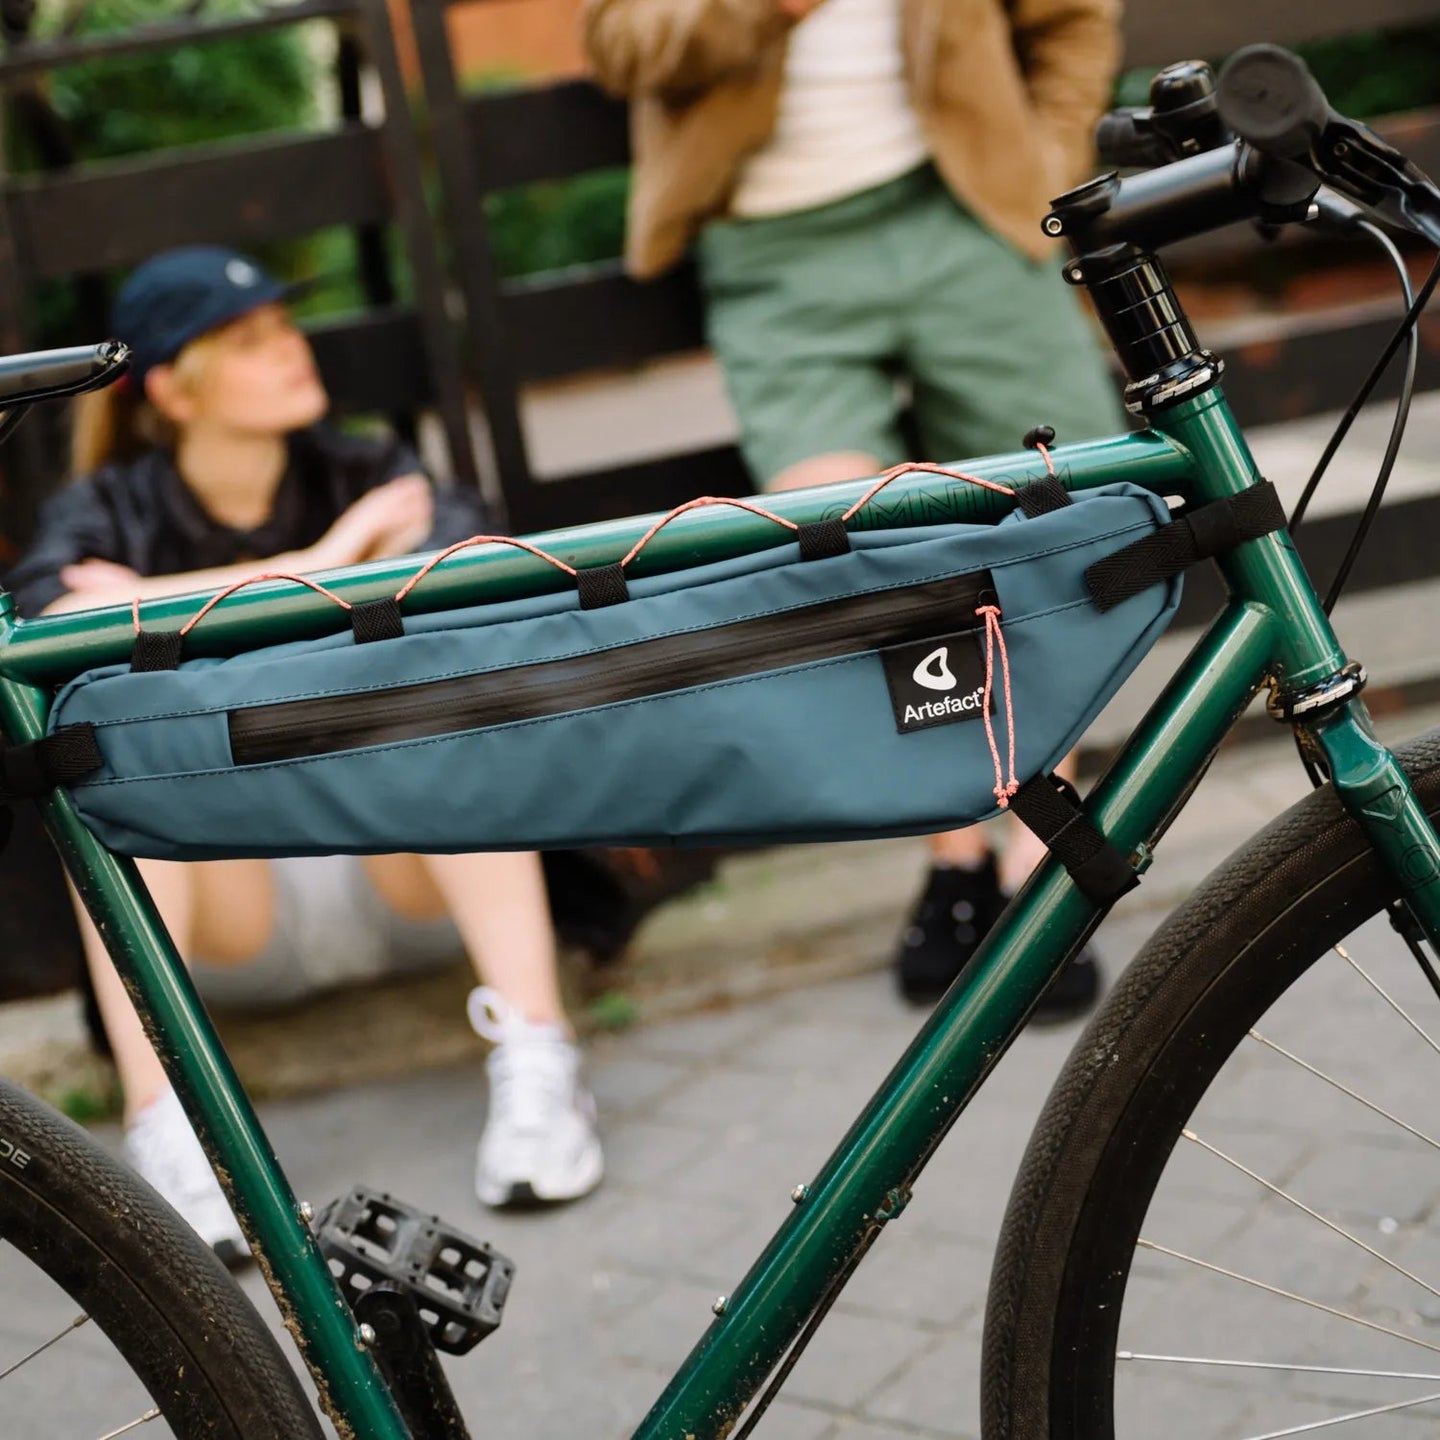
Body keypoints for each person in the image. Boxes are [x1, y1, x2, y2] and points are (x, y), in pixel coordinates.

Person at [7, 247, 604, 1261]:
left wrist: (154, 602)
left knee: (456, 716)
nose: (291, 350)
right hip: (236, 912)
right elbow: (45, 618)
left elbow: (472, 573)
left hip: (401, 871)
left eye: (286, 327)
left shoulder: (368, 469)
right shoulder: (107, 506)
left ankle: (542, 1073)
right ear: (174, 389)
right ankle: (168, 1134)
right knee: (108, 765)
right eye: (249, 341)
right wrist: (325, 564)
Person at [582, 0, 1125, 1017]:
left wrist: (1043, 160)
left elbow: (1073, 17)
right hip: (774, 249)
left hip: (966, 207)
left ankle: (1038, 850)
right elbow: (619, 41)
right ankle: (954, 855)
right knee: (853, 551)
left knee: (1061, 510)